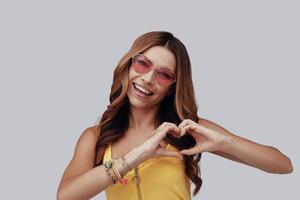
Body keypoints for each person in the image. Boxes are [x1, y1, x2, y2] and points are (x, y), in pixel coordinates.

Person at [57, 31, 293, 200]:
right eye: (142, 64)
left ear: (172, 86)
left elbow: (283, 165)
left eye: (163, 74)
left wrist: (226, 143)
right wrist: (136, 156)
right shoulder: (96, 137)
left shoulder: (186, 130)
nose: (148, 79)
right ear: (128, 66)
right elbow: (66, 196)